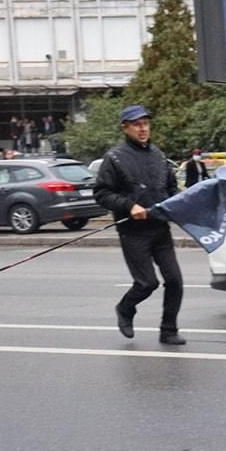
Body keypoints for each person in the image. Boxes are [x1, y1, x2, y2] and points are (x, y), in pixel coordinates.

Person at [92, 105, 185, 346]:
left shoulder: (158, 154)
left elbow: (171, 188)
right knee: (147, 283)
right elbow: (101, 193)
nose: (143, 128)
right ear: (125, 128)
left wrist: (179, 203)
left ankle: (168, 330)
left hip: (160, 228)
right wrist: (129, 205)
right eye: (137, 124)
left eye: (146, 123)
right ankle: (125, 308)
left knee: (174, 280)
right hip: (133, 232)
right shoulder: (114, 158)